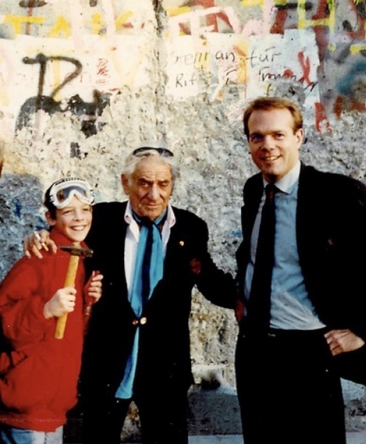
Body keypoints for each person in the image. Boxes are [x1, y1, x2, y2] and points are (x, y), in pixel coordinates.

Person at [235, 97, 366, 443]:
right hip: (254, 348)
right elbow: (258, 254)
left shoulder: (334, 194)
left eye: (278, 134)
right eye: (257, 137)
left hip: (309, 350)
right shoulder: (254, 191)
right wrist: (242, 295)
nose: (267, 146)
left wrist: (363, 329)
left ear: (299, 137)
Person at [27, 146, 236, 444]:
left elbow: (209, 278)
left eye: (163, 184)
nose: (154, 194)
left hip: (165, 365)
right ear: (126, 183)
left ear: (172, 186)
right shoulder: (99, 220)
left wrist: (250, 298)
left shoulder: (191, 228)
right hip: (107, 362)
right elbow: (63, 236)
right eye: (144, 183)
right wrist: (39, 237)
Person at [0, 178, 103, 444]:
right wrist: (45, 310)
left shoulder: (78, 260)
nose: (79, 218)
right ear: (50, 217)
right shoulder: (37, 259)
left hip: (55, 407)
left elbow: (67, 336)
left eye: (86, 210)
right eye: (68, 211)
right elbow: (3, 321)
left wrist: (88, 305)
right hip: (25, 405)